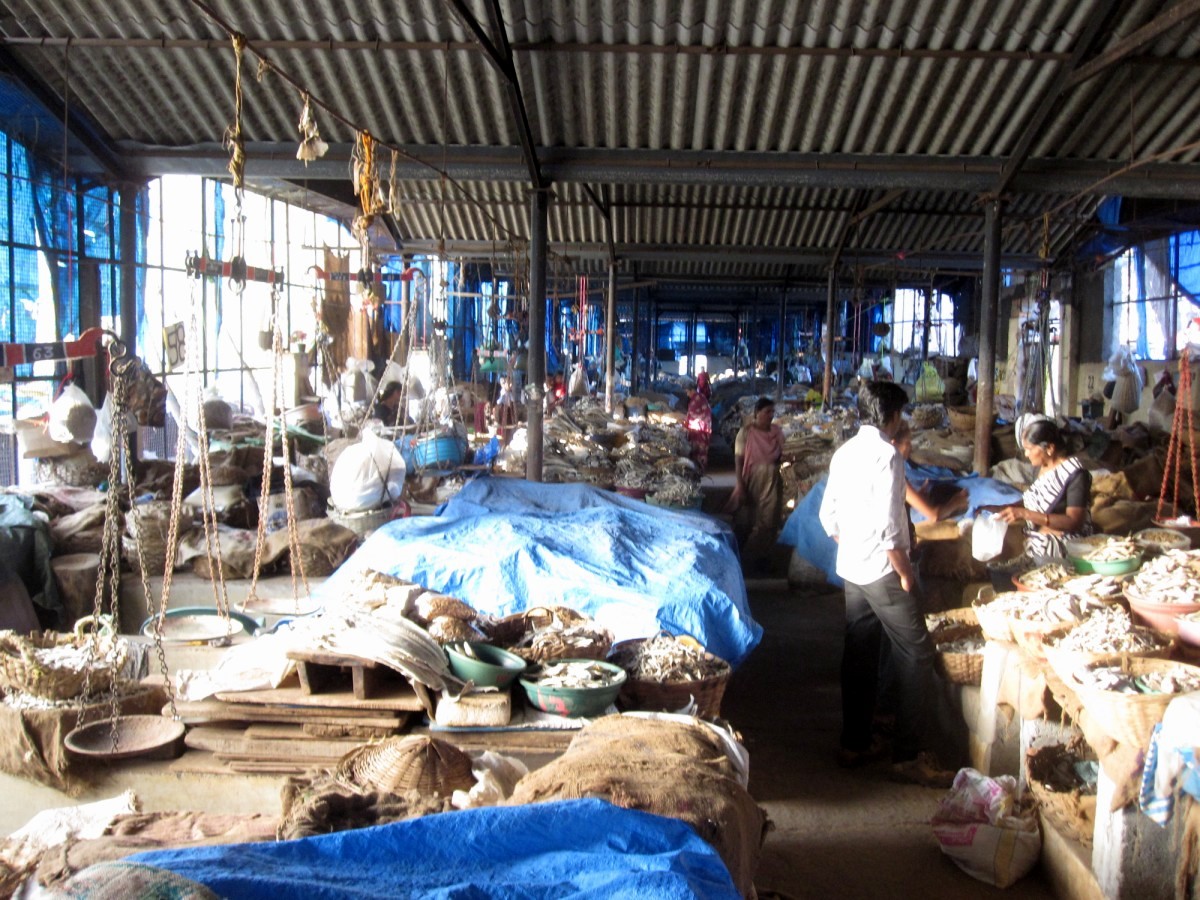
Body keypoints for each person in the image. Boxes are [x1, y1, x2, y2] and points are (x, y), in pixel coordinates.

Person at [819, 381, 953, 788]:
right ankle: (908, 755)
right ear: (893, 417)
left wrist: (855, 545)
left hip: (852, 572)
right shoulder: (887, 457)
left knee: (859, 652)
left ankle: (854, 743)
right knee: (917, 655)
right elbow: (892, 530)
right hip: (881, 571)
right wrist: (906, 573)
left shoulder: (844, 453)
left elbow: (829, 517)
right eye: (903, 414)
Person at [979, 418, 1093, 560]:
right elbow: (1032, 501)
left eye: (1029, 449)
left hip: (1072, 538)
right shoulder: (1042, 468)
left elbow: (1074, 522)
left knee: (1040, 546)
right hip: (1041, 531)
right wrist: (999, 509)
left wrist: (1025, 514)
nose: (1026, 454)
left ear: (1049, 449)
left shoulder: (1076, 475)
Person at [728, 397, 785, 572]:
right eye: (767, 412)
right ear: (756, 413)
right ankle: (733, 556)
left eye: (772, 412)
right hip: (751, 478)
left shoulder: (777, 432)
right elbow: (739, 460)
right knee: (745, 519)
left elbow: (784, 454)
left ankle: (762, 559)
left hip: (772, 480)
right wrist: (740, 485)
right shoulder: (745, 433)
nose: (770, 416)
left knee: (769, 521)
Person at [684, 386, 712, 473]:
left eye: (688, 392)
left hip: (700, 428)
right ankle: (697, 468)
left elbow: (695, 413)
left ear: (692, 390)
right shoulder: (697, 398)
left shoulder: (698, 398)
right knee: (696, 448)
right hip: (697, 427)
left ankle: (700, 468)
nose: (687, 395)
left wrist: (688, 421)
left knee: (701, 449)